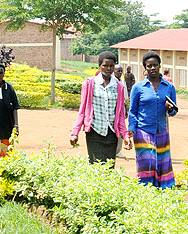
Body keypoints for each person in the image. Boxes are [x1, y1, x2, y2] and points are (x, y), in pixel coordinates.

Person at [70, 51, 132, 166]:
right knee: (95, 167)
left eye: (111, 66)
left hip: (112, 134)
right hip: (94, 132)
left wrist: (125, 136)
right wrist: (75, 132)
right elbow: (82, 111)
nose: (108, 69)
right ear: (100, 66)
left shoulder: (119, 86)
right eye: (105, 66)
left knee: (109, 167)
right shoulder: (89, 84)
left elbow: (120, 115)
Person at [128, 51, 178, 189]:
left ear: (159, 66)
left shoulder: (169, 87)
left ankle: (163, 192)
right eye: (149, 66)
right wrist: (131, 129)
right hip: (142, 132)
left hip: (161, 132)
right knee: (147, 163)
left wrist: (169, 109)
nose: (152, 68)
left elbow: (174, 111)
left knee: (163, 163)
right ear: (145, 68)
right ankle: (146, 193)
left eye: (155, 65)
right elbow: (132, 111)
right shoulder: (138, 88)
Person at [114, 64, 129, 159]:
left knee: (121, 129)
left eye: (121, 71)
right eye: (118, 71)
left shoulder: (122, 81)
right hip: (113, 110)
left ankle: (117, 150)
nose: (120, 72)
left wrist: (126, 109)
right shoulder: (110, 81)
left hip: (121, 109)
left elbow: (125, 97)